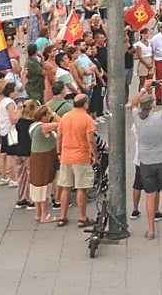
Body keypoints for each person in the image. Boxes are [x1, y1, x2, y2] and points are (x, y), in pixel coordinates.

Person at [131, 79, 162, 238]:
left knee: (150, 195)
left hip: (146, 162)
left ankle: (151, 229)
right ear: (153, 105)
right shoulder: (161, 116)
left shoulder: (137, 118)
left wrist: (144, 88)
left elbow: (132, 103)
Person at [55, 93, 97, 228]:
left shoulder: (65, 117)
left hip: (66, 156)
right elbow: (90, 139)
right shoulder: (87, 118)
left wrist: (59, 152)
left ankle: (62, 217)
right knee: (81, 188)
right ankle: (82, 217)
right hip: (81, 157)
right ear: (85, 104)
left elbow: (59, 136)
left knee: (65, 188)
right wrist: (94, 154)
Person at [27, 104, 60, 223]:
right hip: (44, 159)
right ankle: (44, 215)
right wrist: (54, 114)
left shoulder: (33, 126)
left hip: (37, 158)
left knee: (37, 186)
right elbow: (62, 123)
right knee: (44, 186)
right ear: (44, 115)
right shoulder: (43, 127)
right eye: (48, 115)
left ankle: (39, 213)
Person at [133, 26, 155, 93]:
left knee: (150, 81)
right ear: (141, 34)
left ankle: (150, 96)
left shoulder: (150, 42)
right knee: (142, 81)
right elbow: (139, 56)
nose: (147, 35)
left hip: (150, 60)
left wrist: (152, 63)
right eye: (145, 34)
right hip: (143, 62)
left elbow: (153, 52)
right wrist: (146, 64)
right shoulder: (139, 44)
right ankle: (140, 97)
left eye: (147, 34)